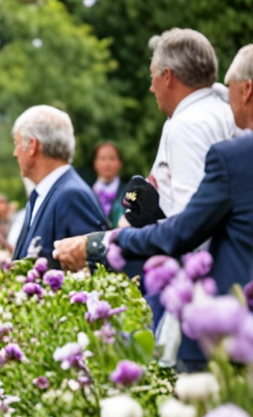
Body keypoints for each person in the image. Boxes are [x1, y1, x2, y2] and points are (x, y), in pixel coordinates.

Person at [55, 44, 253, 373]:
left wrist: (105, 242)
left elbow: (187, 230)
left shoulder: (211, 139)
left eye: (231, 93)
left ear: (246, 91)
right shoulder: (220, 123)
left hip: (223, 317)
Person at [146, 29, 243, 219]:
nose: (151, 88)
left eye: (152, 77)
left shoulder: (188, 124)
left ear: (167, 76)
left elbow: (190, 222)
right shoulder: (226, 112)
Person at [9, 105, 107, 261]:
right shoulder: (42, 194)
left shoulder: (72, 196)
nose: (15, 153)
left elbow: (93, 268)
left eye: (17, 143)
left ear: (32, 146)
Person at [91, 142, 126, 226]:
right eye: (102, 158)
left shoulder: (128, 193)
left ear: (120, 163)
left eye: (112, 158)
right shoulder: (88, 193)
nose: (107, 164)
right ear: (95, 163)